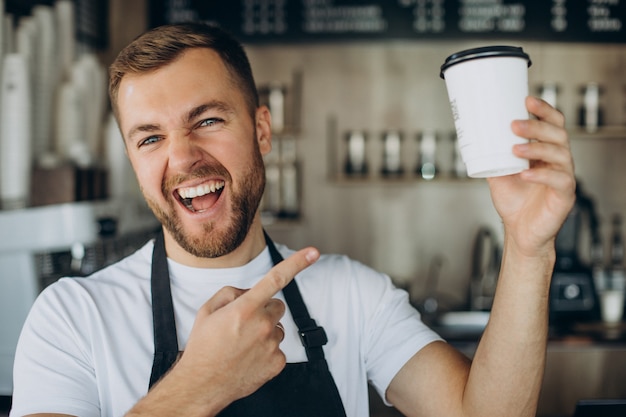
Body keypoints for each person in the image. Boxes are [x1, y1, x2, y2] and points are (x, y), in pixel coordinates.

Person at [10, 22, 575, 417]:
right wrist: (195, 389)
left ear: (261, 130)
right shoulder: (71, 320)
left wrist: (529, 248)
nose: (181, 159)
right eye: (151, 137)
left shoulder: (355, 295)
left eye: (206, 120)